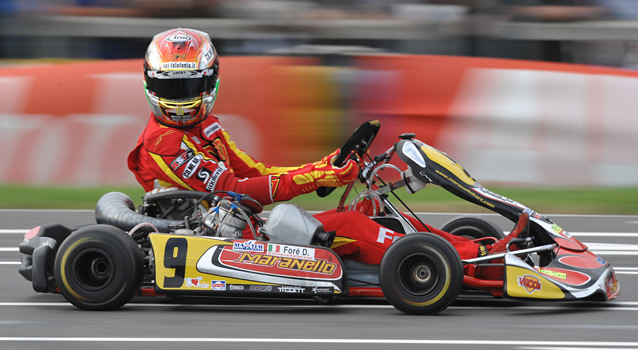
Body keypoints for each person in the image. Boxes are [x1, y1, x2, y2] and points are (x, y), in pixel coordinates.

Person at [128, 28, 526, 280]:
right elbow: (239, 190)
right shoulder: (164, 143)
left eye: (188, 88)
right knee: (354, 226)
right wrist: (319, 176)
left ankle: (472, 249)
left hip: (241, 228)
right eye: (170, 90)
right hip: (220, 240)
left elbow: (256, 171)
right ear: (151, 84)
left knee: (371, 211)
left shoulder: (206, 128)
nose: (179, 102)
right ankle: (484, 258)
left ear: (209, 81)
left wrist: (326, 166)